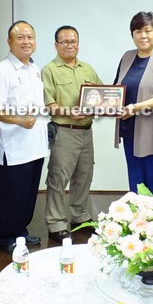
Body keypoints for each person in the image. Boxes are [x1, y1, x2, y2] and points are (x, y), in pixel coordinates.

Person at [0, 21, 48, 253]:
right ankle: (7, 238)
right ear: (9, 41)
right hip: (12, 150)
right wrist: (20, 120)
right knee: (12, 197)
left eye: (30, 37)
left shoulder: (34, 68)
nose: (26, 42)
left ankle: (21, 232)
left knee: (29, 196)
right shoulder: (0, 71)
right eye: (20, 37)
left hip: (35, 146)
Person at [41, 25, 102, 243]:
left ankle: (80, 217)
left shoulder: (88, 69)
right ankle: (56, 222)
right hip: (65, 132)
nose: (70, 45)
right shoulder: (49, 70)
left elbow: (102, 95)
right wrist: (68, 111)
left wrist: (107, 105)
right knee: (58, 178)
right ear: (56, 45)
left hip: (87, 131)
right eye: (65, 41)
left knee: (84, 176)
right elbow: (48, 104)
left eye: (74, 41)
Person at [114, 11, 153, 199]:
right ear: (132, 35)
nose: (143, 36)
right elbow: (116, 88)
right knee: (135, 184)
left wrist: (134, 108)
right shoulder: (127, 57)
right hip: (130, 130)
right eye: (137, 31)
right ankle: (137, 226)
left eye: (148, 31)